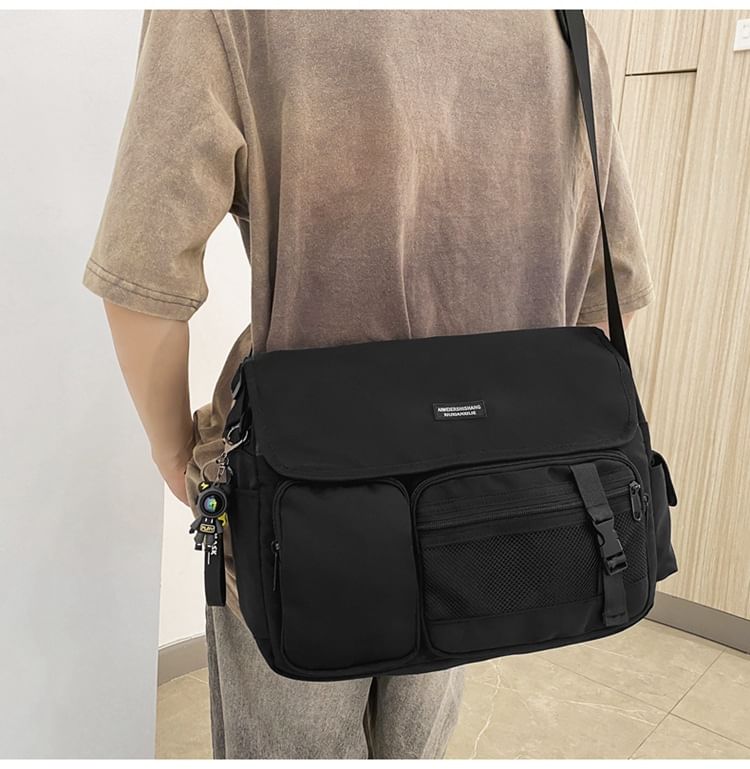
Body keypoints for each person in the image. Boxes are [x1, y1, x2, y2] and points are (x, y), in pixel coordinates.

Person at [82, 10, 654, 760]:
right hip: (485, 504)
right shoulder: (560, 23)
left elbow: (142, 279)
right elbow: (609, 300)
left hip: (301, 503)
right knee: (418, 740)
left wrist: (176, 457)